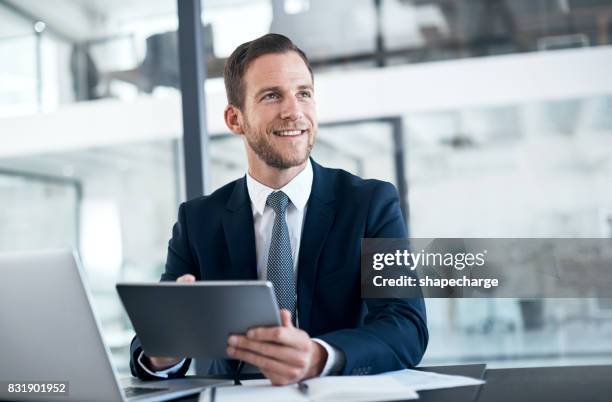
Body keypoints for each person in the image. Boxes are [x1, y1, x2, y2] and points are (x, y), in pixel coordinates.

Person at [129, 33, 428, 385]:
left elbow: (406, 325)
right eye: (272, 96)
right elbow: (153, 341)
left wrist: (318, 356)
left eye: (303, 93)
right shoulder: (198, 222)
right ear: (234, 119)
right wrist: (163, 349)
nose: (294, 111)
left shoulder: (370, 205)